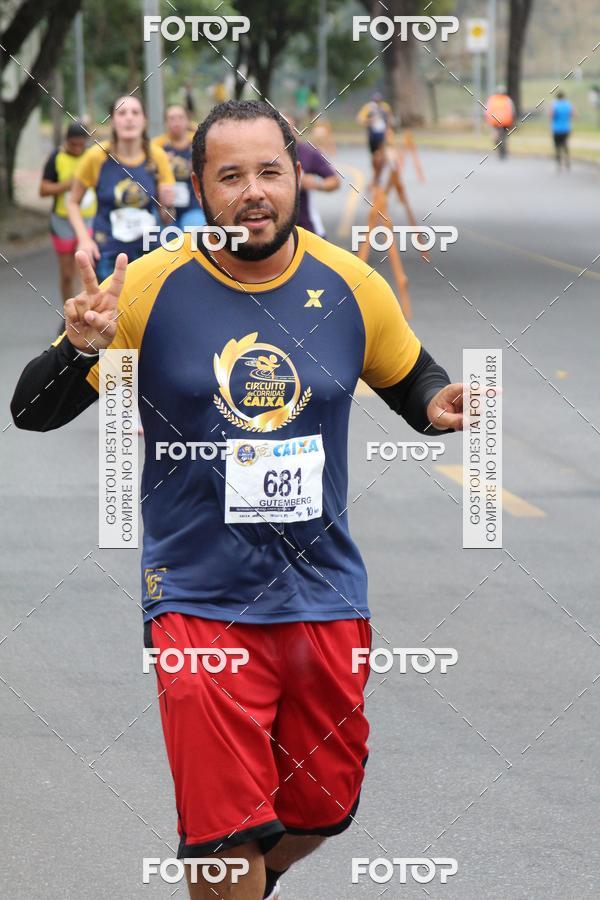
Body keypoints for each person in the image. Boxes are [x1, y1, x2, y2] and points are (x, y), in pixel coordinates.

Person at [11, 99, 464, 900]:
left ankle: (249, 870)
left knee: (320, 810)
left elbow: (412, 378)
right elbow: (32, 411)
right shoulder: (147, 289)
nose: (253, 192)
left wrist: (437, 406)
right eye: (230, 176)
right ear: (195, 187)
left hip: (324, 595)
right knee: (225, 839)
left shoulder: (350, 285)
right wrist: (82, 347)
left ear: (296, 178)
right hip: (196, 598)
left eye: (269, 172)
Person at [67, 95, 175, 282]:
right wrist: (84, 239)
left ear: (144, 120)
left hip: (147, 249)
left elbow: (167, 217)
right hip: (108, 249)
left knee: (147, 310)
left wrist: (168, 204)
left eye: (135, 112)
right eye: (122, 113)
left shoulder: (157, 157)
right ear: (113, 121)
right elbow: (73, 202)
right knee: (111, 308)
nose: (129, 118)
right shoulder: (96, 157)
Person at [39, 122, 97, 309]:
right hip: (62, 222)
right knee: (67, 274)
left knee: (86, 270)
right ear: (67, 141)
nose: (77, 148)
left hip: (88, 220)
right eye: (73, 144)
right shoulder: (57, 157)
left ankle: (86, 312)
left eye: (81, 144)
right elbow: (43, 189)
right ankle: (68, 312)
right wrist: (69, 184)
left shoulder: (92, 156)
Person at [285, 114, 340, 237]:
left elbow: (334, 181)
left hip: (308, 229)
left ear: (295, 129)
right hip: (280, 231)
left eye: (288, 127)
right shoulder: (270, 154)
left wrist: (316, 184)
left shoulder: (308, 153)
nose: (284, 132)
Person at [152, 105, 206, 230]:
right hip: (164, 207)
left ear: (188, 120)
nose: (176, 122)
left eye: (180, 118)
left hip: (193, 205)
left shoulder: (199, 143)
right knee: (165, 241)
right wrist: (160, 163)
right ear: (165, 123)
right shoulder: (157, 146)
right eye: (171, 118)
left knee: (195, 235)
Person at [356, 92, 394, 185]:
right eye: (375, 101)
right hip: (372, 136)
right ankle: (375, 173)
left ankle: (378, 175)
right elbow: (359, 119)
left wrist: (388, 129)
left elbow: (389, 118)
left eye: (379, 101)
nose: (377, 103)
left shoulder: (385, 107)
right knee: (374, 157)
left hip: (382, 135)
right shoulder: (368, 108)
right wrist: (369, 121)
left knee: (382, 156)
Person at [485, 85, 515, 159]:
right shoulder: (506, 99)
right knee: (500, 138)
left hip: (502, 122)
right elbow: (512, 111)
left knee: (499, 138)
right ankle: (502, 150)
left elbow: (487, 110)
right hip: (499, 122)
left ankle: (502, 151)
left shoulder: (495, 99)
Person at [550, 91, 575, 170]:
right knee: (565, 144)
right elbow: (573, 114)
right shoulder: (568, 104)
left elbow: (551, 115)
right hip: (566, 128)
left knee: (557, 146)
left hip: (556, 129)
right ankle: (567, 159)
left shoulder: (555, 105)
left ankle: (559, 163)